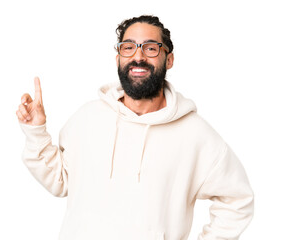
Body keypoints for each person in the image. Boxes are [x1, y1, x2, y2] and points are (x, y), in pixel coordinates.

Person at [16, 15, 254, 240]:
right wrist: (36, 131)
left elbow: (238, 200)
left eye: (150, 48)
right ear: (119, 57)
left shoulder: (197, 135)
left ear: (168, 59)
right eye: (128, 47)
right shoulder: (87, 118)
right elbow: (60, 181)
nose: (138, 56)